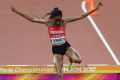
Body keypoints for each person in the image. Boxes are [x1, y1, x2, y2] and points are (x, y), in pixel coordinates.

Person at [11, 2, 102, 80]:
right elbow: (32, 19)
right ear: (52, 19)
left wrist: (95, 8)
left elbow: (81, 16)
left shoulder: (64, 21)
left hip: (65, 46)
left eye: (59, 20)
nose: (58, 22)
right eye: (56, 21)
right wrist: (16, 11)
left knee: (78, 60)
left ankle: (71, 60)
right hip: (56, 50)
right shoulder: (48, 22)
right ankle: (65, 62)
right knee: (59, 75)